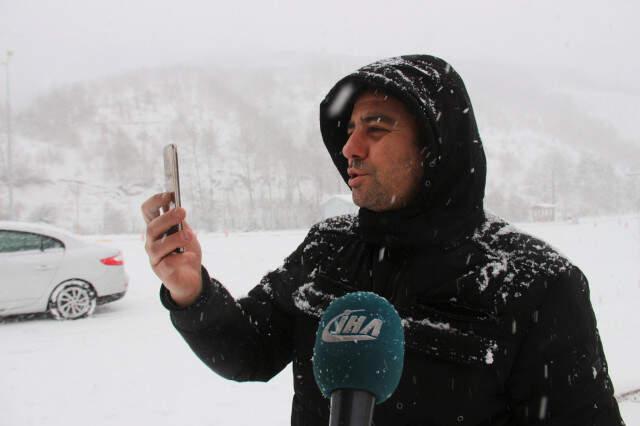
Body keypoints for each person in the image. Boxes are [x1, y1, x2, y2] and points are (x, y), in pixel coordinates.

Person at [141, 55, 624, 425]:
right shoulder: (326, 247)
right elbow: (249, 350)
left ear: (433, 147)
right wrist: (191, 291)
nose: (349, 147)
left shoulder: (535, 284)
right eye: (349, 130)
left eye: (376, 127)